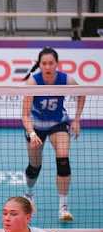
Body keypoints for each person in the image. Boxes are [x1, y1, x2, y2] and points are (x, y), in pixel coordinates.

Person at [22, 47, 85, 222]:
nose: (48, 66)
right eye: (44, 63)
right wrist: (32, 133)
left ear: (56, 64)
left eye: (51, 63)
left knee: (63, 159)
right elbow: (25, 115)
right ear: (39, 65)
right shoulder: (33, 83)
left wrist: (77, 119)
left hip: (58, 124)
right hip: (36, 127)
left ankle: (63, 207)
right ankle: (29, 194)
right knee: (35, 166)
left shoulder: (65, 80)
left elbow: (82, 93)